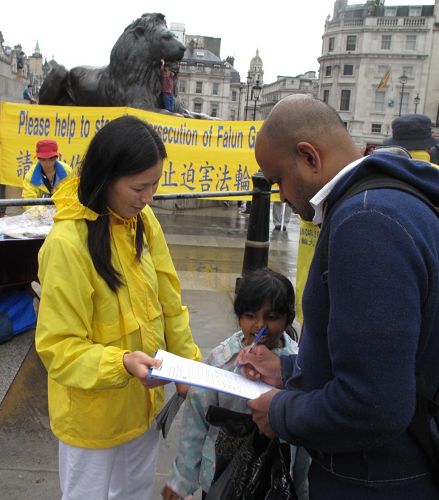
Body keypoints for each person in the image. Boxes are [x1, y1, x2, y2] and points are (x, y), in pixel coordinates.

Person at [237, 94, 439, 498]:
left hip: (376, 480)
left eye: (278, 180)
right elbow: (383, 357)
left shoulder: (365, 222)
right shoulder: (391, 200)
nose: (279, 198)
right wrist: (289, 369)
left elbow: (373, 404)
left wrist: (280, 411)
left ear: (309, 157)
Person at [35, 115, 201, 500]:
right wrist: (121, 363)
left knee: (134, 493)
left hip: (143, 406)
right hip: (91, 418)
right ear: (106, 177)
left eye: (155, 184)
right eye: (139, 187)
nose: (148, 197)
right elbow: (58, 347)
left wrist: (188, 362)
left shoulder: (143, 221)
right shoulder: (67, 244)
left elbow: (169, 301)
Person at [161, 268, 310, 500]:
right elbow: (196, 421)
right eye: (250, 315)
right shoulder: (221, 360)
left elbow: (305, 441)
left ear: (287, 319)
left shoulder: (298, 365)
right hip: (221, 477)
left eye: (271, 317)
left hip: (275, 478)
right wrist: (183, 478)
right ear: (239, 316)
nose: (259, 326)